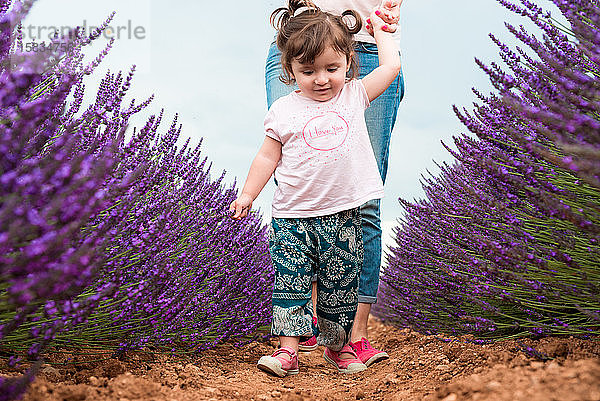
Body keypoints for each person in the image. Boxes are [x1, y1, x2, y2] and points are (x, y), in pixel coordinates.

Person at [231, 0, 401, 376]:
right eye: (308, 71)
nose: (321, 79)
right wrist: (248, 194)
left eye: (331, 69)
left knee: (340, 285)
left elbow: (390, 66)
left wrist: (385, 29)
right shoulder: (284, 111)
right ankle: (287, 351)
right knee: (290, 283)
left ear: (348, 65)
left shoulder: (354, 95)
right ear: (290, 71)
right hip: (293, 216)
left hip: (343, 214)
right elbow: (265, 158)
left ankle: (337, 348)